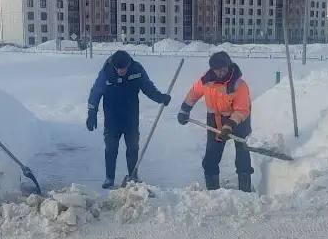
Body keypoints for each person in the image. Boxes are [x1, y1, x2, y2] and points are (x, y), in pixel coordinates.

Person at [87, 50, 171, 188]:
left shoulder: (136, 69)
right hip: (112, 118)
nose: (121, 71)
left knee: (133, 147)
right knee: (111, 148)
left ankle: (133, 175)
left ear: (128, 64)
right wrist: (92, 112)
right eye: (118, 69)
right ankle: (109, 178)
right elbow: (96, 92)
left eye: (123, 69)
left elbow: (147, 87)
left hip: (131, 117)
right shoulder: (107, 71)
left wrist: (160, 98)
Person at [177, 50, 253, 191]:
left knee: (242, 156)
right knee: (211, 157)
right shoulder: (206, 80)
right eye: (216, 70)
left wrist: (229, 125)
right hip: (215, 121)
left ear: (228, 66)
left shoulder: (239, 85)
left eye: (223, 69)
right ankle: (213, 193)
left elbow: (242, 109)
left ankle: (245, 190)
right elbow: (194, 92)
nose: (220, 73)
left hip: (239, 121)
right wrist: (184, 109)